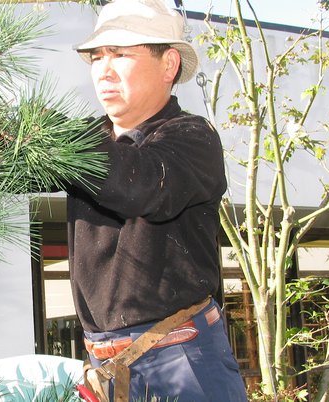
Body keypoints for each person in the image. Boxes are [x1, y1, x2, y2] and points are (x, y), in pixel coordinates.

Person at [64, 0, 248, 401]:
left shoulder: (192, 138)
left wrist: (61, 142)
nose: (104, 70)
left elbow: (139, 185)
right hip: (105, 369)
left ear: (169, 65)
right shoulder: (85, 142)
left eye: (121, 54)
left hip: (181, 361)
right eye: (97, 56)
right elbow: (8, 169)